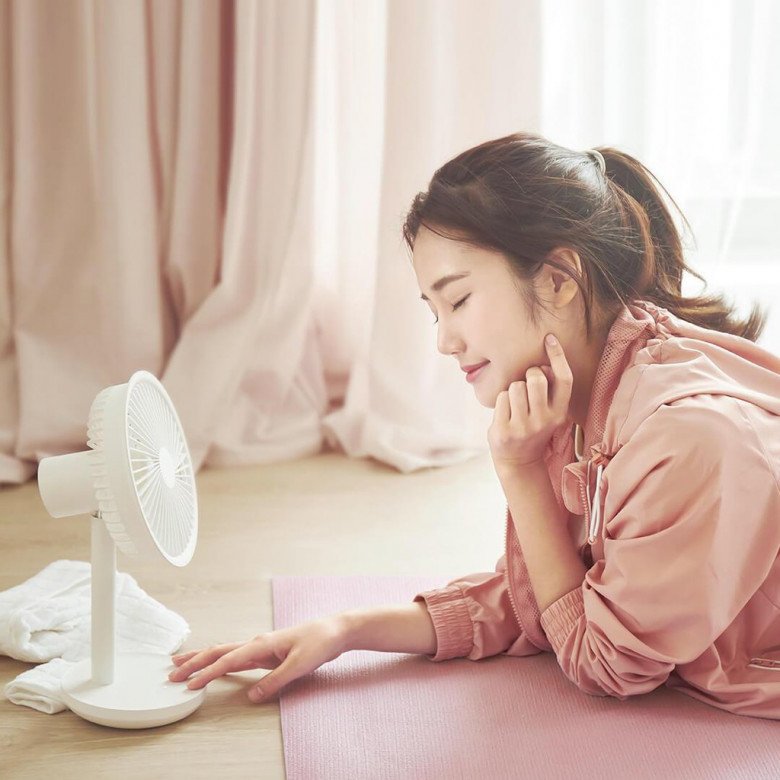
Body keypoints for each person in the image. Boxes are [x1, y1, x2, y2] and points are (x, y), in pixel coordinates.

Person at [168, 132, 780, 719]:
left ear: (559, 279)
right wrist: (345, 630)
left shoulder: (683, 438)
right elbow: (547, 599)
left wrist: (518, 470)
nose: (444, 341)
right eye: (433, 310)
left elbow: (604, 663)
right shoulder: (581, 392)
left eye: (457, 300)